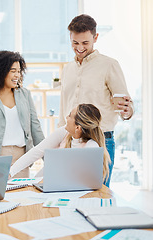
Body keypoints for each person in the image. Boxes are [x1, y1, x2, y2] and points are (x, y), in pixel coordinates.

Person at [58, 14, 134, 187]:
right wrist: (60, 138)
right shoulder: (67, 69)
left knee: (98, 193)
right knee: (70, 191)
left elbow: (126, 104)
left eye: (85, 43)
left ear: (95, 37)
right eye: (75, 43)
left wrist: (128, 110)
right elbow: (64, 105)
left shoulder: (109, 65)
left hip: (101, 140)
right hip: (71, 140)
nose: (79, 48)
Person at [0, 51, 44, 177]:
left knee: (21, 195)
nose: (17, 75)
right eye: (13, 71)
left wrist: (48, 158)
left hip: (22, 158)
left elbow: (35, 127)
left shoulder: (24, 94)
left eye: (19, 71)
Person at [10, 104, 110, 182]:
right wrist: (11, 172)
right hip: (42, 182)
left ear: (77, 128)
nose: (66, 117)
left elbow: (84, 178)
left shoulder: (91, 147)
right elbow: (37, 151)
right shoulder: (64, 132)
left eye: (70, 116)